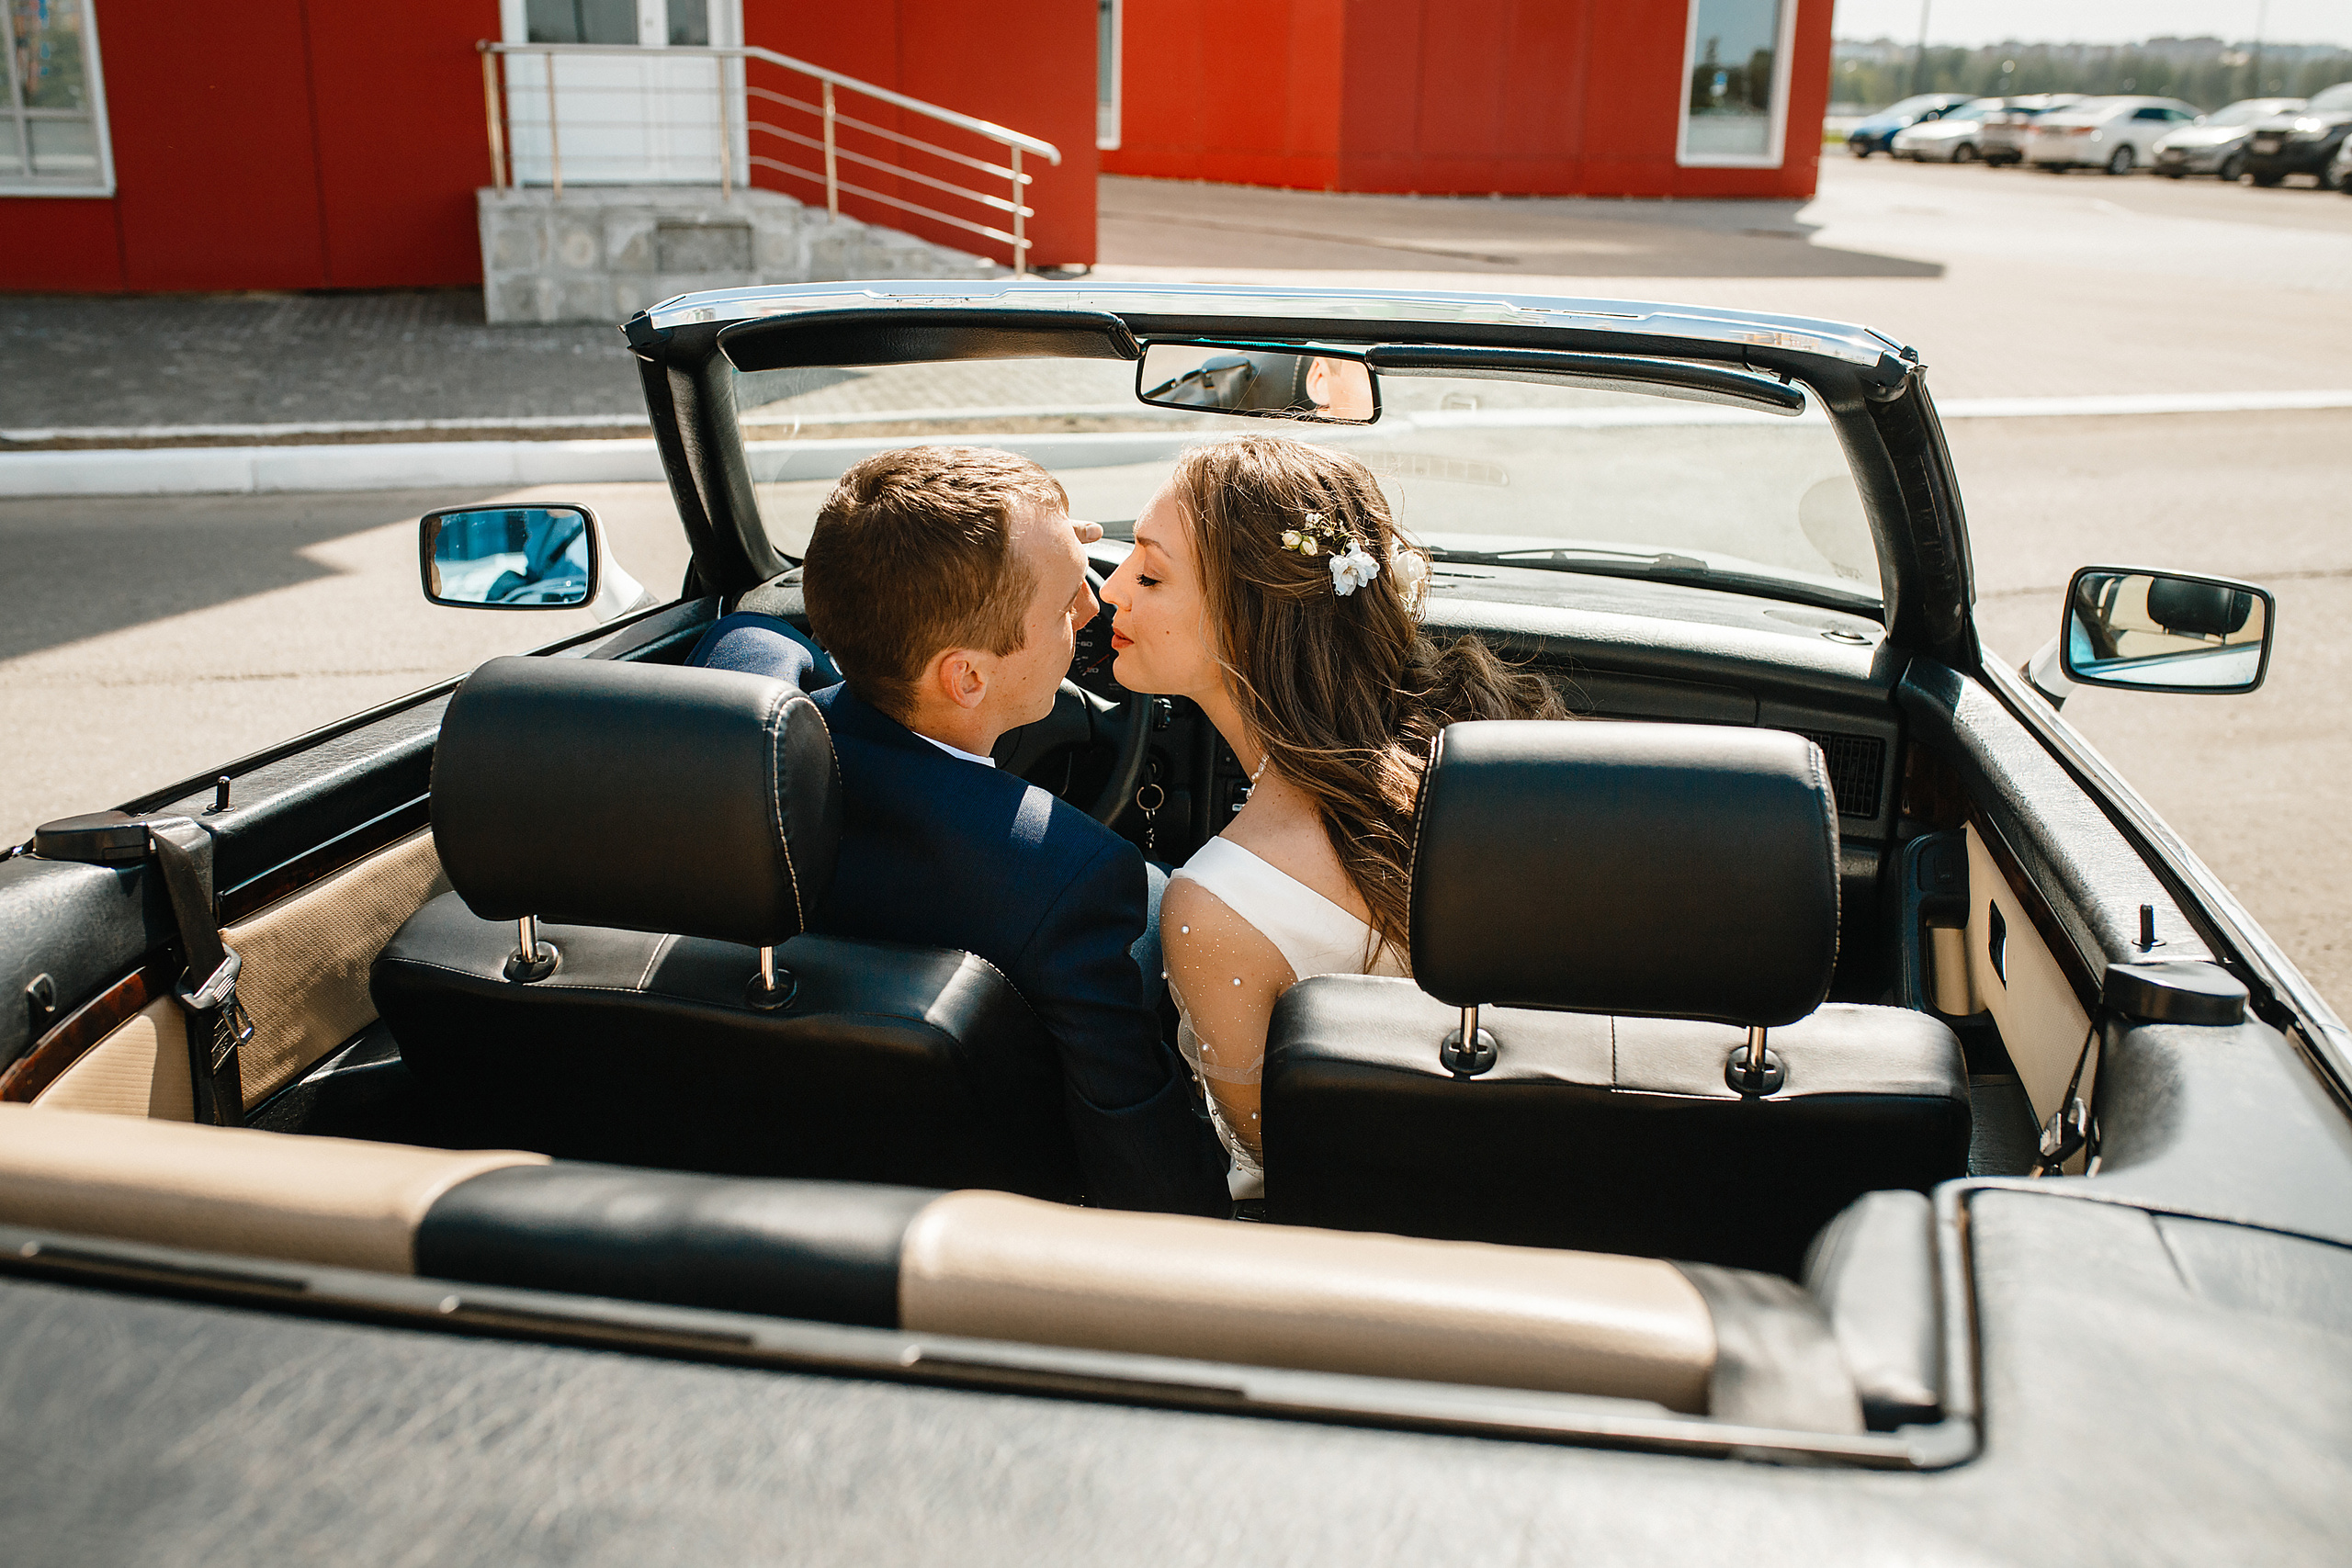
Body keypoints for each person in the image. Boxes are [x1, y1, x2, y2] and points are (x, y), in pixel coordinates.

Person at [686, 446, 1227, 1217]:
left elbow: (766, 642)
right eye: (1062, 603)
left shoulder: (739, 680)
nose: (1093, 604)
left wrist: (1034, 554)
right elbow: (1152, 1182)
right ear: (967, 677)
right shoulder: (1067, 879)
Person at [1099, 433, 1565, 1196]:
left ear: (1247, 619)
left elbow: (1294, 1167)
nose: (1113, 588)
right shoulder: (1486, 741)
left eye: (1150, 574)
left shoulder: (1219, 907)